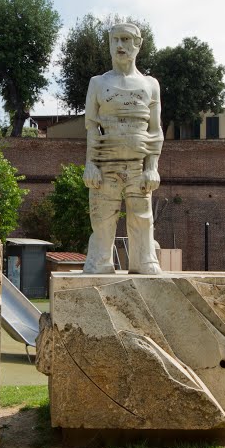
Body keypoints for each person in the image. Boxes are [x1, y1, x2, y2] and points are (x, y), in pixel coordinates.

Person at [82, 22, 164, 274]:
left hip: (138, 165)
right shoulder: (97, 83)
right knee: (102, 218)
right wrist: (90, 165)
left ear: (138, 44)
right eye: (115, 39)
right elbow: (92, 128)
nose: (120, 45)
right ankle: (99, 261)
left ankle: (144, 260)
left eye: (126, 39)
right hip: (106, 164)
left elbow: (155, 130)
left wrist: (152, 168)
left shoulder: (150, 85)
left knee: (141, 216)